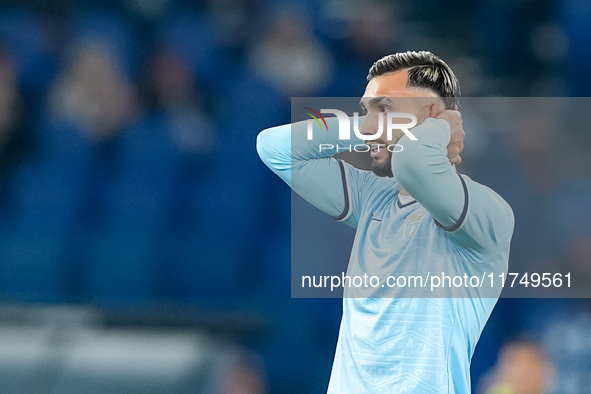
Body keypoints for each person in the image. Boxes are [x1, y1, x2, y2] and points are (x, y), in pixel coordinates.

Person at [257, 51, 514, 393]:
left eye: (385, 108)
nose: (369, 123)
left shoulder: (489, 211)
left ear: (433, 116)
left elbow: (413, 163)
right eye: (367, 111)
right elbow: (274, 147)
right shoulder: (372, 196)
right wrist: (368, 128)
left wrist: (432, 131)